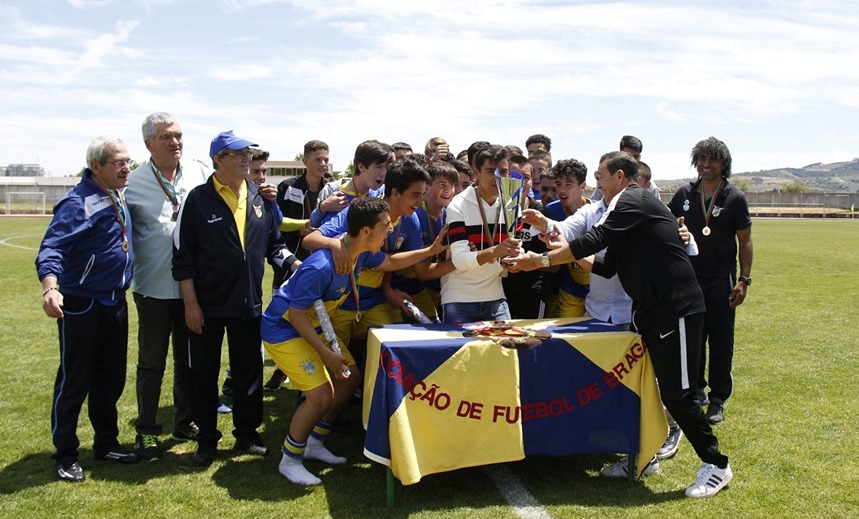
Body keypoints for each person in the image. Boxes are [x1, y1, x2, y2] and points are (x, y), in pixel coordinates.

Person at [507, 151, 733, 498]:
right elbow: (606, 265)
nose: (597, 182)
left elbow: (592, 240)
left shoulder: (632, 200)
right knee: (639, 386)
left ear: (620, 177)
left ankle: (716, 464)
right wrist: (554, 252)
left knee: (678, 394)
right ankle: (643, 456)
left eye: (601, 176)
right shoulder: (622, 209)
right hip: (652, 312)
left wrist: (540, 260)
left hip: (676, 309)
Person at [263, 197, 430, 485]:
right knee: (320, 395)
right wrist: (327, 354)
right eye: (385, 225)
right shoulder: (321, 267)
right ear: (365, 231)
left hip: (313, 325)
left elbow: (390, 262)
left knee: (350, 378)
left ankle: (315, 442)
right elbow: (296, 315)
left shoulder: (360, 253)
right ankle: (289, 460)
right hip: (285, 330)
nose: (391, 230)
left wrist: (432, 250)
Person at [172, 130, 300, 467]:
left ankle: (247, 433)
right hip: (207, 306)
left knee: (249, 372)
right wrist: (190, 305)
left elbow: (274, 246)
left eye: (249, 153)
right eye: (239, 153)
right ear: (219, 159)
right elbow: (183, 259)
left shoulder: (259, 197)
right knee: (203, 374)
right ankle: (206, 439)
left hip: (248, 303)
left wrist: (295, 265)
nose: (247, 158)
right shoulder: (197, 200)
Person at [36, 136, 139, 482]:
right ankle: (65, 452)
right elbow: (52, 248)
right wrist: (51, 288)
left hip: (114, 301)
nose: (126, 168)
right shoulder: (76, 202)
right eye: (118, 162)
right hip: (82, 303)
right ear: (95, 166)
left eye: (128, 161)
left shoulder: (117, 194)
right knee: (75, 379)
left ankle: (106, 443)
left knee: (111, 377)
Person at [125, 112, 209, 460]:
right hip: (153, 289)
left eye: (178, 135)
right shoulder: (132, 183)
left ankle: (184, 421)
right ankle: (146, 430)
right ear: (149, 144)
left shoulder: (199, 172)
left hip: (193, 289)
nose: (175, 142)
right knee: (151, 363)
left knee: (188, 361)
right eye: (166, 137)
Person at [668, 137, 753, 425]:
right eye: (701, 159)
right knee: (692, 338)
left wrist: (743, 280)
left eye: (712, 159)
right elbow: (666, 223)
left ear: (723, 163)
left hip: (721, 280)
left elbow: (745, 241)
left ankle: (717, 400)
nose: (706, 164)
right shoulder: (684, 193)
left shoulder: (735, 198)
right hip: (688, 280)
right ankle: (695, 391)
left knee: (720, 339)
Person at [441, 144, 521, 322]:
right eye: (491, 171)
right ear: (476, 173)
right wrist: (495, 251)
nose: (497, 177)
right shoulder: (458, 205)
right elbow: (460, 260)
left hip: (496, 296)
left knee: (507, 341)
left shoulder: (512, 203)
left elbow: (516, 249)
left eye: (503, 172)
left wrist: (516, 260)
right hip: (459, 299)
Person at [542, 159, 592, 317]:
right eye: (558, 184)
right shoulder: (550, 211)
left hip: (597, 293)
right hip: (569, 291)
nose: (562, 190)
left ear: (582, 186)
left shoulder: (597, 211)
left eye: (568, 184)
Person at [309, 140, 392, 228]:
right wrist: (322, 208)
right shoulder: (338, 198)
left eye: (387, 167)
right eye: (379, 167)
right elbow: (317, 229)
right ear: (361, 167)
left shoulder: (382, 194)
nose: (383, 173)